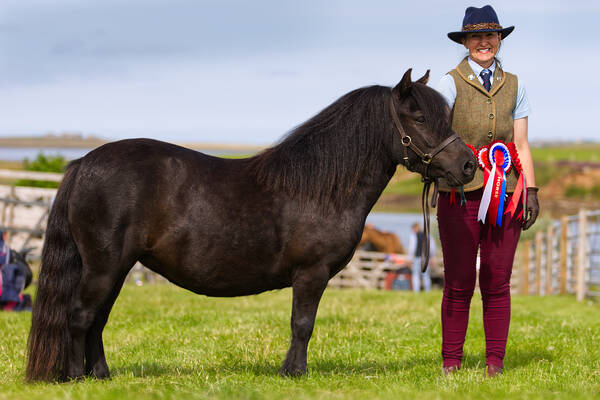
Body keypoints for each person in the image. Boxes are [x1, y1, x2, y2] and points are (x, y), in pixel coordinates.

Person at [435, 5, 539, 377]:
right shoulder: (448, 83)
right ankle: (451, 362)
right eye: (476, 36)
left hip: (506, 196)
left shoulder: (516, 84)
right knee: (459, 282)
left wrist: (531, 188)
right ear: (464, 42)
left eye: (490, 35)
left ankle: (495, 363)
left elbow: (522, 143)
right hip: (458, 196)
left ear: (499, 40)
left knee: (498, 281)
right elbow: (437, 137)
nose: (484, 42)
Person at [407, 222, 433, 292]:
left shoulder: (414, 236)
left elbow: (412, 248)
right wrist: (431, 257)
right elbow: (432, 247)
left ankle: (416, 291)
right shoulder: (427, 235)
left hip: (417, 258)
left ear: (415, 228)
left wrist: (409, 258)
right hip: (425, 258)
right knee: (426, 275)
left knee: (415, 275)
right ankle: (428, 291)